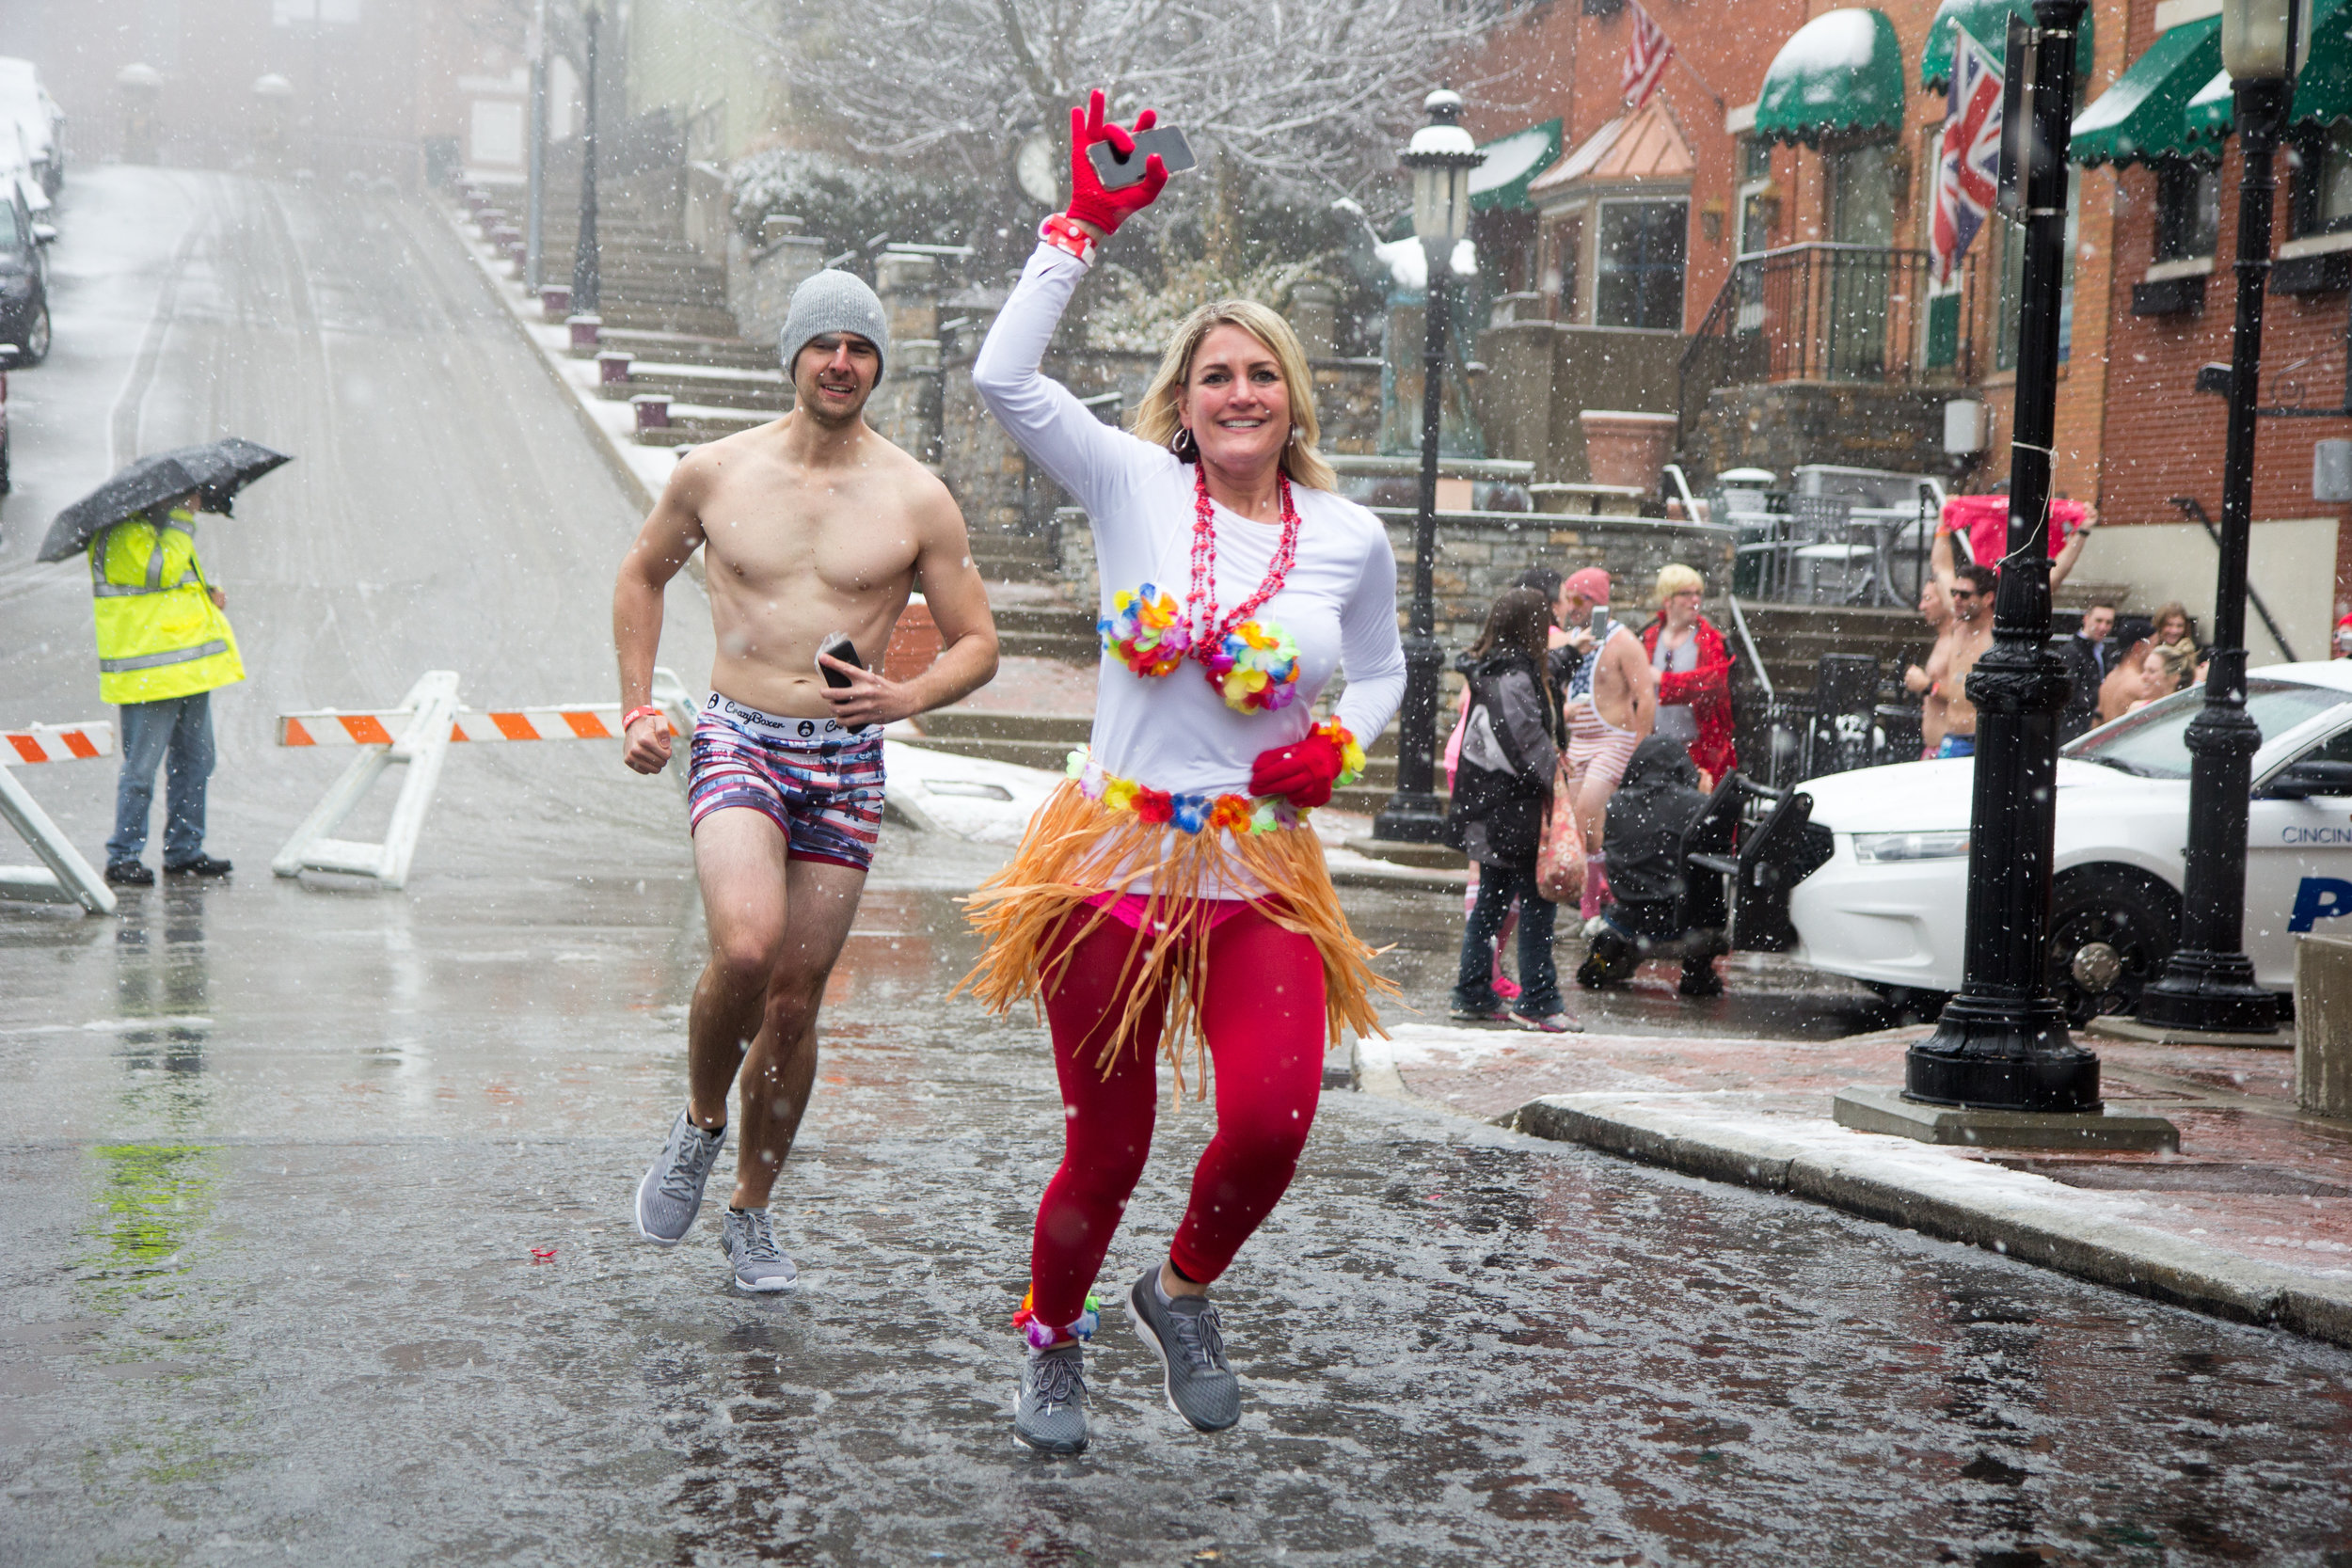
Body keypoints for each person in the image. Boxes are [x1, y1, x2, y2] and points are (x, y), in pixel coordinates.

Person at [958, 91, 1406, 1455]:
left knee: (1271, 1117)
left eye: (1261, 374)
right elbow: (1000, 379)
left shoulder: (1349, 535)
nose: (1238, 394)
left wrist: (1343, 741)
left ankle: (1183, 1289)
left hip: (1258, 859)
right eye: (1215, 375)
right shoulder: (1129, 487)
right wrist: (1078, 230)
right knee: (1110, 1139)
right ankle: (1055, 1334)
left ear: (1292, 398)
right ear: (1183, 397)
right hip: (1111, 855)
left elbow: (1380, 669)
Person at [613, 267, 1001, 1293]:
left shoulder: (916, 495)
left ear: (878, 364)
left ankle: (750, 1207)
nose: (842, 362)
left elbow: (979, 643)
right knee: (744, 946)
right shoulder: (716, 472)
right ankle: (699, 1124)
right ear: (792, 355)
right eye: (824, 343)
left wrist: (905, 695)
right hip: (741, 734)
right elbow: (641, 572)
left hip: (843, 762)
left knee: (793, 1002)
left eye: (861, 347)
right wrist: (639, 706)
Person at [92, 490, 244, 885]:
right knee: (141, 769)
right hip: (152, 674)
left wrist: (206, 595)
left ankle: (184, 851)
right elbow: (159, 572)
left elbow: (169, 589)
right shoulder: (121, 535)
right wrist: (182, 519)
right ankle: (123, 856)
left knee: (196, 762)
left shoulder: (153, 531)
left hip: (187, 670)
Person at [1447, 587, 1574, 1033]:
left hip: (1489, 805)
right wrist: (1555, 775)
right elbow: (1527, 746)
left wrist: (1572, 654)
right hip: (1513, 809)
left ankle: (1473, 991)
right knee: (1538, 903)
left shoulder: (1492, 670)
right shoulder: (1515, 679)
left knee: (1492, 902)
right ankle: (1538, 1001)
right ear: (1533, 627)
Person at [1577, 734, 1724, 998]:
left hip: (1628, 921)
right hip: (1685, 926)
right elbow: (1713, 861)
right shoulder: (1699, 805)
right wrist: (1706, 801)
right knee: (1716, 921)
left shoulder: (1617, 803)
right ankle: (1697, 972)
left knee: (1621, 935)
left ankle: (1614, 955)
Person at [1556, 565, 1655, 921]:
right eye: (1568, 599)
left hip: (1614, 740)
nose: (1572, 607)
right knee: (1586, 830)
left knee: (1583, 816)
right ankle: (1598, 899)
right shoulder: (1578, 640)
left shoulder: (1624, 641)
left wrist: (1640, 751)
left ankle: (1590, 909)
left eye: (1577, 599)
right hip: (1580, 741)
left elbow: (1646, 697)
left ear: (1595, 600)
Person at [1636, 564, 1735, 787]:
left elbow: (1715, 684)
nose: (1695, 600)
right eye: (1686, 594)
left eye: (1698, 593)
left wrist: (1664, 680)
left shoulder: (1711, 640)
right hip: (1655, 750)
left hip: (1701, 752)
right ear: (1667, 599)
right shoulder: (1649, 638)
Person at [1915, 521, 1996, 758]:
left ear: (1987, 598)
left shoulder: (1997, 633)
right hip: (1951, 738)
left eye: (1964, 594)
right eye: (1954, 593)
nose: (1956, 599)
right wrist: (1943, 523)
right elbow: (1941, 567)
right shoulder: (1958, 625)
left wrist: (2081, 533)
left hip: (1979, 739)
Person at [1905, 574, 1957, 759]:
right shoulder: (1942, 638)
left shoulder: (1957, 640)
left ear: (1946, 599)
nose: (1922, 606)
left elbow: (1963, 696)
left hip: (1948, 749)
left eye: (1928, 598)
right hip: (1934, 749)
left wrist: (1927, 686)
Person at [2056, 599, 2118, 742]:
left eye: (2109, 623)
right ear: (2086, 619)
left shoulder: (2104, 651)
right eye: (2099, 621)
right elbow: (2069, 696)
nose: (2103, 627)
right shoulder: (2070, 652)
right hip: (2075, 729)